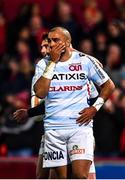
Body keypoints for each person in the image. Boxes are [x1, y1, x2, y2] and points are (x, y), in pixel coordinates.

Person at [14, 31, 98, 179]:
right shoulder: (42, 69)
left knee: (83, 176)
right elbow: (39, 104)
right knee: (46, 176)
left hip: (79, 131)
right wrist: (30, 112)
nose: (43, 50)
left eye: (47, 46)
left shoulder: (81, 67)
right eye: (43, 46)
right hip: (54, 131)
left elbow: (95, 94)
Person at [34, 27, 115, 179]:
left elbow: (108, 86)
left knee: (80, 176)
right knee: (60, 178)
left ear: (67, 42)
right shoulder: (43, 64)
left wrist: (94, 108)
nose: (51, 44)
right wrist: (52, 62)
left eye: (56, 40)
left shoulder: (84, 61)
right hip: (54, 130)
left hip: (80, 127)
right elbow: (40, 92)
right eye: (49, 40)